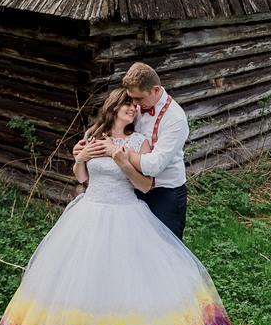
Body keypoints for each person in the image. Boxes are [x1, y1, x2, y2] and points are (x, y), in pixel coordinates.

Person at [0, 88, 247, 325]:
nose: (133, 110)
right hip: (89, 212)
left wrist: (120, 156)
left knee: (129, 284)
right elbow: (82, 178)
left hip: (125, 212)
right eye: (127, 105)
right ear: (114, 108)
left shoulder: (138, 144)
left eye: (136, 106)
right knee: (75, 281)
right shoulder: (92, 135)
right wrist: (79, 159)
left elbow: (146, 186)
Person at [78, 61, 190, 241]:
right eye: (131, 99)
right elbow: (112, 120)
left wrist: (118, 151)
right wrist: (86, 143)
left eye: (138, 99)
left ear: (155, 90)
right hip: (130, 190)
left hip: (164, 193)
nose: (135, 105)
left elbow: (154, 166)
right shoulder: (137, 105)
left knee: (166, 248)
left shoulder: (175, 119)